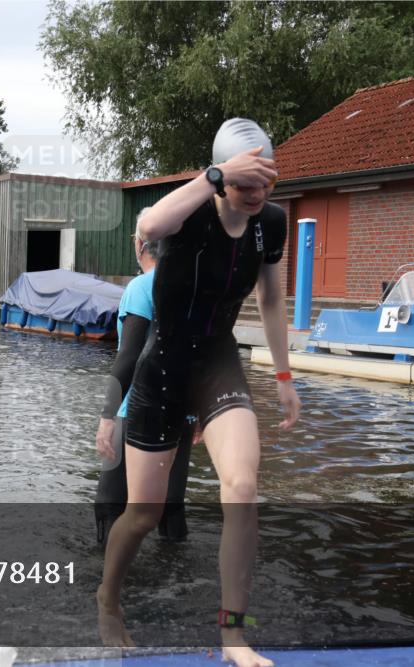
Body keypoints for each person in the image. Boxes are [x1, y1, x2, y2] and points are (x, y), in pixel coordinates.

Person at [97, 118, 301, 667]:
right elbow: (147, 221)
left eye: (266, 182)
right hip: (162, 367)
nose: (256, 195)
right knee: (144, 512)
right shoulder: (189, 215)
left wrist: (284, 377)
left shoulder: (272, 226)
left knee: (242, 488)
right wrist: (213, 176)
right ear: (225, 177)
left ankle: (234, 634)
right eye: (245, 183)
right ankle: (108, 599)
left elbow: (273, 302)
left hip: (216, 362)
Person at [94, 209, 196, 546]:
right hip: (182, 411)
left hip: (137, 410)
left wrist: (107, 415)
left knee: (110, 502)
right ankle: (177, 576)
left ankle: (109, 580)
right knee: (170, 503)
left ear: (140, 244)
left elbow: (129, 356)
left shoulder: (141, 287)